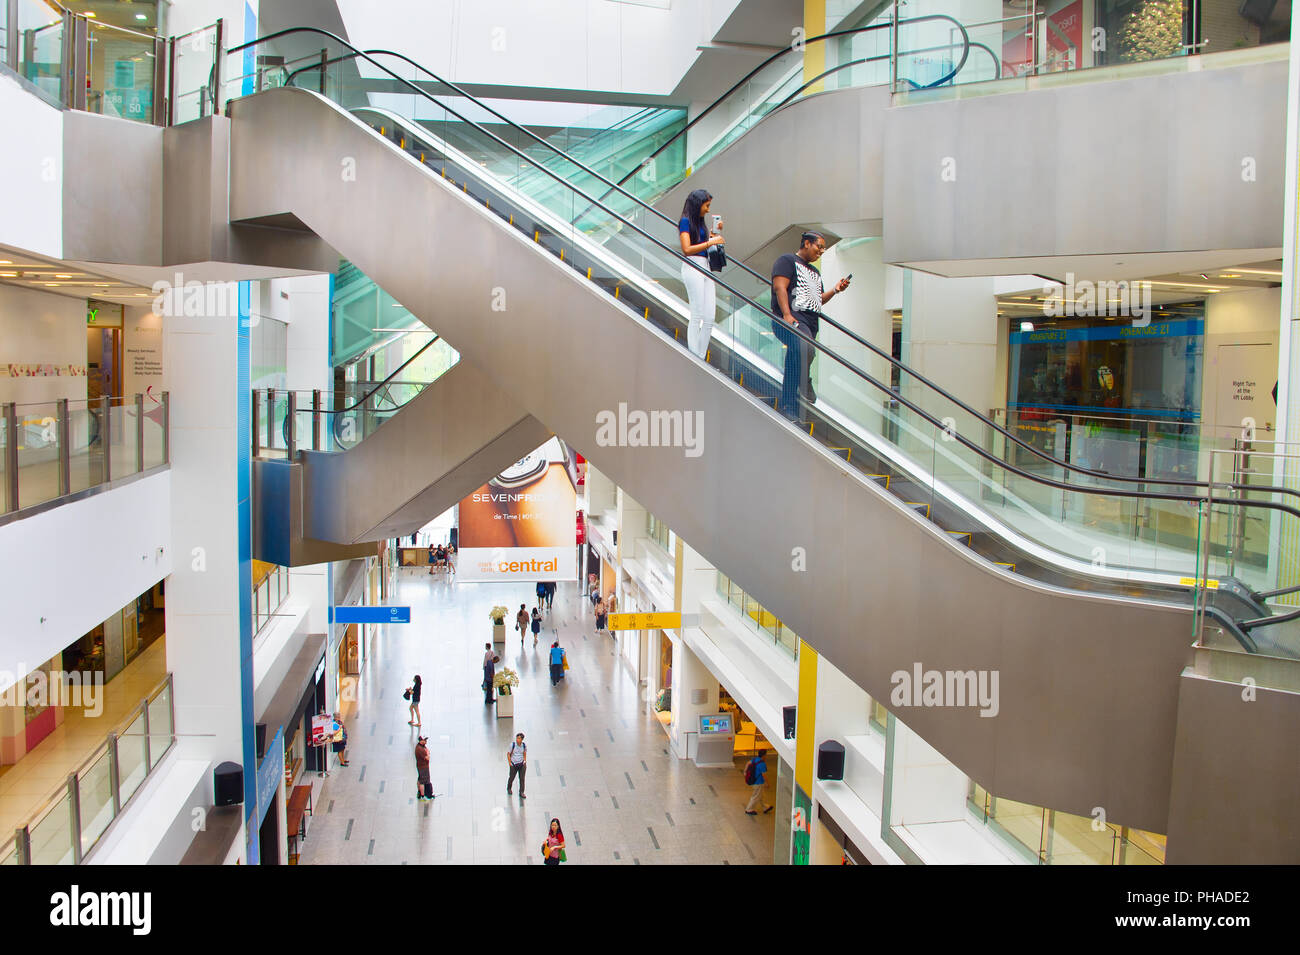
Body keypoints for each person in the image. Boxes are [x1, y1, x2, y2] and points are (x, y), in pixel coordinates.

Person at [770, 231, 850, 424]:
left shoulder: (815, 272)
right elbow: (780, 287)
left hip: (809, 323)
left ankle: (789, 406)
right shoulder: (787, 260)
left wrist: (835, 290)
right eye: (819, 246)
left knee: (795, 360)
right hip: (789, 320)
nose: (821, 251)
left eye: (823, 248)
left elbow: (818, 299)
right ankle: (804, 383)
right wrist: (787, 315)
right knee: (807, 350)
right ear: (806, 243)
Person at [678, 188, 725, 360]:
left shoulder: (699, 222)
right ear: (698, 204)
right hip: (693, 266)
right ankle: (694, 356)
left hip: (705, 266)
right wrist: (710, 242)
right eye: (706, 205)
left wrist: (713, 236)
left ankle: (700, 356)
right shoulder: (685, 222)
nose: (708, 209)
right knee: (697, 314)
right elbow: (687, 249)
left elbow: (703, 243)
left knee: (710, 317)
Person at [506, 732, 527, 799]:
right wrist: (510, 763)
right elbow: (508, 754)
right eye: (517, 738)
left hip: (521, 764)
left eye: (519, 738)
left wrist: (524, 761)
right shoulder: (512, 745)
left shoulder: (524, 745)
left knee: (522, 779)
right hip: (514, 764)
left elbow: (524, 753)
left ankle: (521, 792)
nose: (517, 739)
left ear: (522, 739)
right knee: (511, 777)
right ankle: (509, 788)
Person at [415, 735, 432, 800]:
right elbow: (427, 758)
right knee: (422, 782)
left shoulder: (420, 746)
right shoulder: (420, 749)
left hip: (420, 766)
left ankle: (419, 792)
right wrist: (427, 753)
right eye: (425, 740)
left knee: (420, 779)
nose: (426, 741)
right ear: (421, 741)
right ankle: (422, 796)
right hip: (423, 767)